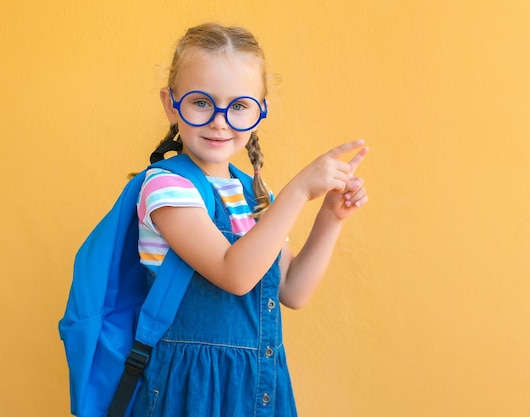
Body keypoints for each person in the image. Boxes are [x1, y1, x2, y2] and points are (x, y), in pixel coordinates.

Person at [132, 22, 368, 417]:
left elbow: (291, 290)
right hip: (191, 393)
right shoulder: (167, 188)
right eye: (201, 102)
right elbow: (235, 274)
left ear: (261, 112)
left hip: (257, 387)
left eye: (238, 105)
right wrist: (298, 191)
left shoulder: (255, 196)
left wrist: (330, 216)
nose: (220, 120)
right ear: (171, 103)